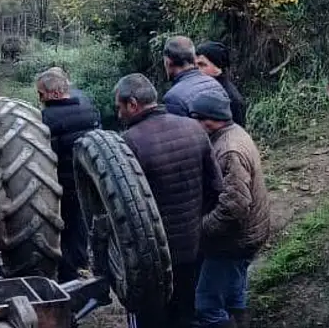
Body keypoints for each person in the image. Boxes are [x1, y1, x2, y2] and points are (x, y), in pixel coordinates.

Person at [115, 73, 224, 328]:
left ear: (133, 104)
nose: (118, 114)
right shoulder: (194, 127)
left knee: (150, 318)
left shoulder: (130, 143)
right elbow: (216, 188)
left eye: (119, 107)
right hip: (192, 247)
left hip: (153, 256)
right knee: (184, 312)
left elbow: (125, 210)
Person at [189, 91, 269, 328]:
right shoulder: (234, 134)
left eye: (195, 119)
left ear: (210, 120)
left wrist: (200, 229)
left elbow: (234, 208)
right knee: (234, 294)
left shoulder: (229, 150)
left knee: (206, 305)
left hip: (233, 242)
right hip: (248, 235)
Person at [36, 69, 101, 283]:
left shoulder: (46, 119)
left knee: (60, 229)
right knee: (80, 227)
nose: (40, 99)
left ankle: (66, 276)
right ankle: (82, 266)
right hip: (86, 182)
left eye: (41, 94)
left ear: (53, 94)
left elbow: (45, 156)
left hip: (61, 184)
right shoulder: (89, 110)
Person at [162, 36, 229, 117]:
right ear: (194, 58)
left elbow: (177, 129)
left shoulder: (173, 97)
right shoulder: (215, 84)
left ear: (168, 62)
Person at [195, 41, 248, 127]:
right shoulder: (200, 89)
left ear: (218, 67)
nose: (197, 70)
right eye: (196, 65)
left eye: (202, 65)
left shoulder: (232, 99)